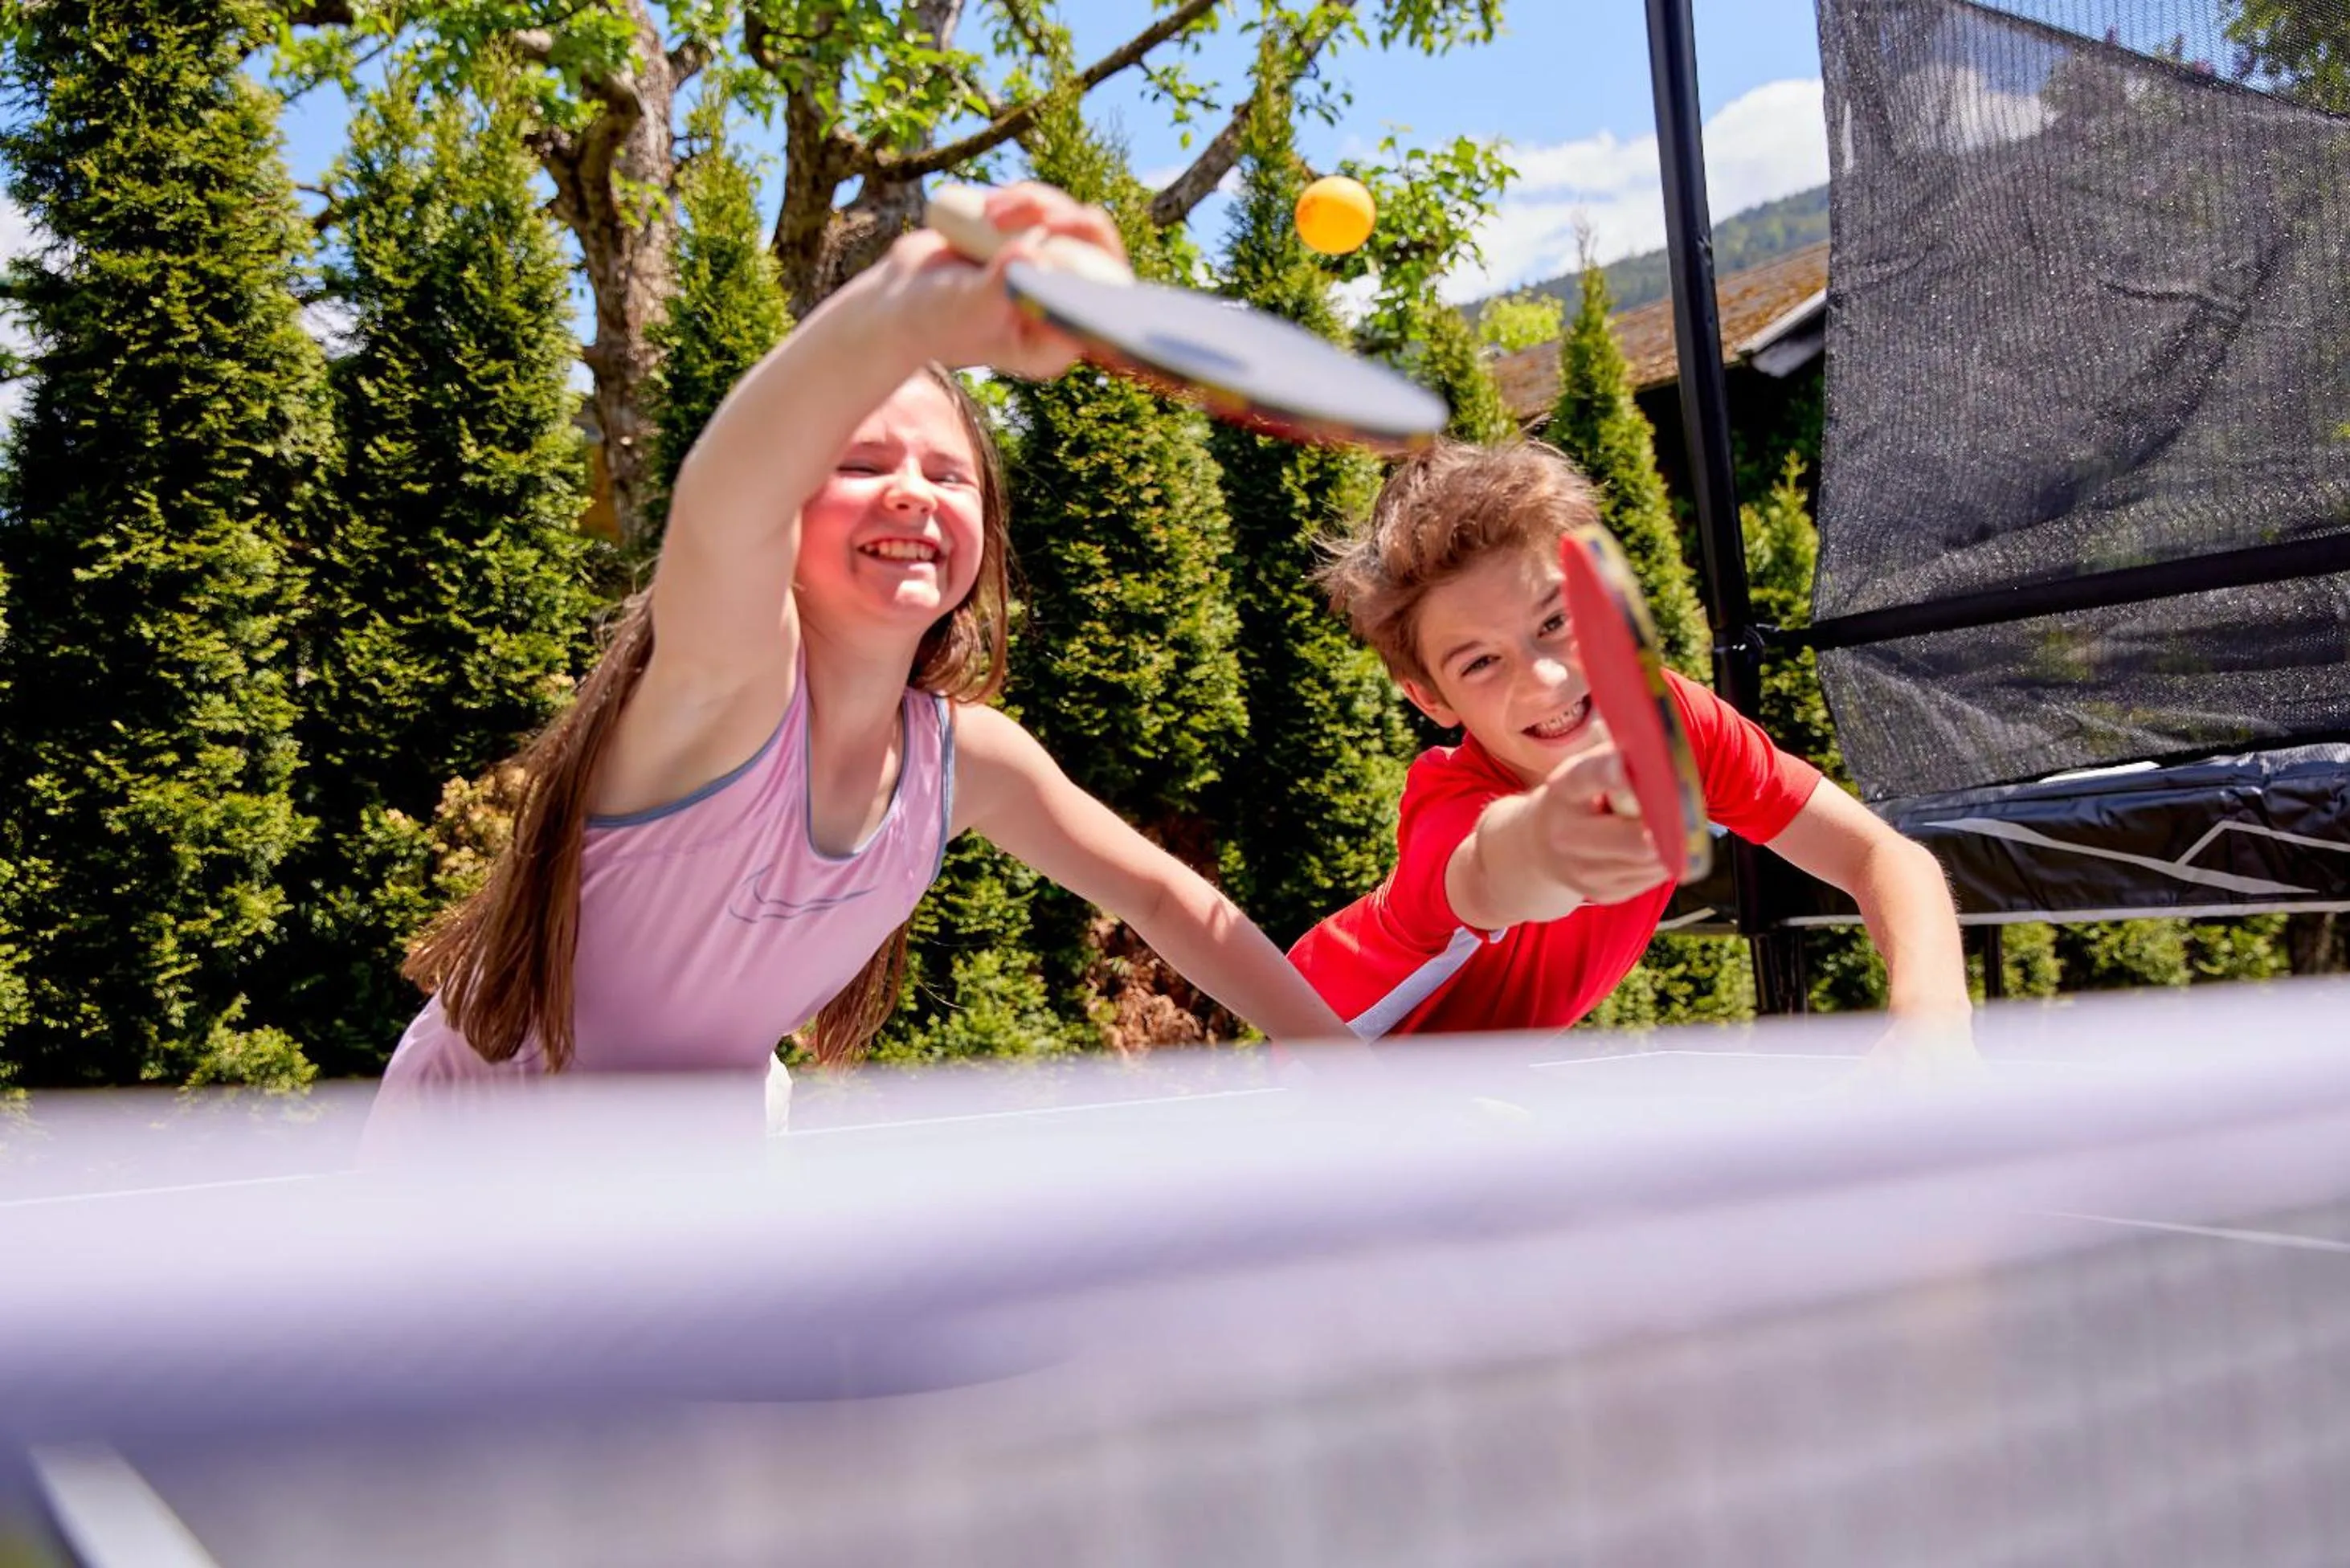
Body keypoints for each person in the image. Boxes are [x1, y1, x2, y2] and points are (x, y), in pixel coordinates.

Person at [372, 183, 1347, 1124]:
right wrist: (896, 317)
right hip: (476, 1172)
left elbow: (1162, 898)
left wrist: (1352, 1070)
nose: (913, 490)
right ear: (786, 520)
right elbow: (725, 496)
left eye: (950, 476)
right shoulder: (734, 686)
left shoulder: (969, 760)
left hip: (687, 1165)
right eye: (860, 462)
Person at [1287, 439, 1972, 1041]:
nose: (1544, 678)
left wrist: (1931, 1025)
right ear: (1431, 699)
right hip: (1330, 1055)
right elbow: (1494, 866)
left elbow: (1879, 855)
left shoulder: (1674, 720)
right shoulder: (1449, 809)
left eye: (1555, 621)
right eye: (1480, 662)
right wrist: (1549, 838)